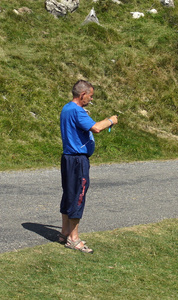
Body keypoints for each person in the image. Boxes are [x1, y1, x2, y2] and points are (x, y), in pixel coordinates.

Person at [58, 79, 117, 253]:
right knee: (78, 195)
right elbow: (97, 128)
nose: (91, 99)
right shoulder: (77, 111)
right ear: (83, 94)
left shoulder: (67, 108)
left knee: (69, 193)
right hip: (78, 160)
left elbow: (80, 124)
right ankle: (74, 239)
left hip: (67, 158)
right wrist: (111, 120)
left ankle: (64, 232)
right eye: (90, 96)